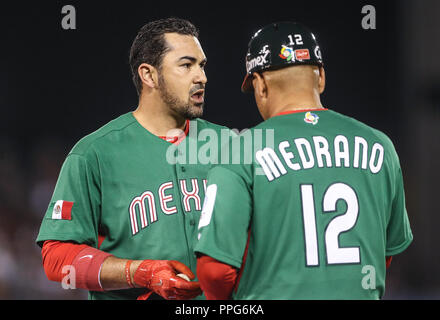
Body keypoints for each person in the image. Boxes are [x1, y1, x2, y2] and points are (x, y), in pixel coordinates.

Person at [194, 21, 413, 299]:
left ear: (260, 85)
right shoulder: (380, 146)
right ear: (320, 76)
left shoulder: (241, 150)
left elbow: (215, 270)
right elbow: (385, 253)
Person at [35, 17, 230, 300]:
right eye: (187, 65)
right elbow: (57, 257)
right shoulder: (94, 153)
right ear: (148, 75)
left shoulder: (231, 146)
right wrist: (138, 272)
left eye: (202, 65)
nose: (201, 77)